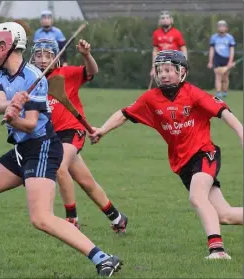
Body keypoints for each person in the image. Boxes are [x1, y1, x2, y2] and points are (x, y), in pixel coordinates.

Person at [0, 22, 122, 277]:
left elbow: (30, 125)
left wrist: (15, 117)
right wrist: (10, 106)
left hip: (42, 147)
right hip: (21, 149)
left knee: (41, 218)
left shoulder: (34, 78)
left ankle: (103, 258)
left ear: (10, 45)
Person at [89, 50, 243, 260]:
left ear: (182, 73)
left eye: (169, 70)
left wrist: (241, 134)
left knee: (197, 198)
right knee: (224, 214)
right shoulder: (151, 98)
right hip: (182, 164)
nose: (163, 74)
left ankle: (217, 250)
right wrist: (102, 130)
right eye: (160, 70)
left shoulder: (193, 93)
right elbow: (123, 114)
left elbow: (224, 112)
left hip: (204, 154)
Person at [30, 38, 128, 232]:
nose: (43, 59)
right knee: (86, 182)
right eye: (39, 55)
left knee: (59, 167)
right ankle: (117, 218)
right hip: (52, 135)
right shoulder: (31, 81)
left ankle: (72, 219)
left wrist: (86, 55)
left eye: (48, 55)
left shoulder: (66, 74)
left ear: (56, 57)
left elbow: (92, 71)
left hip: (72, 131)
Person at [150, 11, 187, 78]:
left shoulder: (176, 33)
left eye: (167, 18)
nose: (165, 20)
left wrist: (184, 63)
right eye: (163, 18)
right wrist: (153, 67)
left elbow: (183, 49)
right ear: (160, 21)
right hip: (161, 62)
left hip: (174, 62)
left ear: (171, 20)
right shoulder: (156, 33)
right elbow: (155, 51)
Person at [207, 20, 236, 99]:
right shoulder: (214, 37)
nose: (221, 28)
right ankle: (218, 92)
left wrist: (230, 61)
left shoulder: (230, 38)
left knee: (225, 77)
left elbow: (232, 50)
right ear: (217, 28)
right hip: (217, 59)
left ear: (226, 28)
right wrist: (210, 61)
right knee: (218, 76)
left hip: (226, 59)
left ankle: (225, 91)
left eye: (223, 26)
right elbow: (212, 50)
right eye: (219, 26)